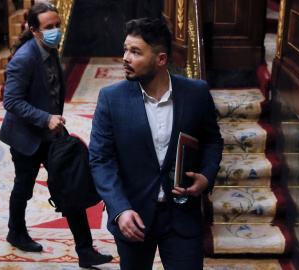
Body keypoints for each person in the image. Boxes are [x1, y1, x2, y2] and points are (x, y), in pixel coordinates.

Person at [89, 17, 224, 269]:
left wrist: (206, 176)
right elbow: (100, 160)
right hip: (134, 218)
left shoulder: (196, 93)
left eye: (135, 52)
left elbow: (212, 140)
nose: (126, 58)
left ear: (161, 59)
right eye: (126, 49)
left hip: (183, 217)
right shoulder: (111, 98)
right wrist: (119, 209)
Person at [0, 3, 113, 268]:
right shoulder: (25, 58)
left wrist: (53, 120)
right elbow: (11, 101)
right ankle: (16, 231)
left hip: (52, 136)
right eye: (49, 27)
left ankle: (85, 251)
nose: (56, 31)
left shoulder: (50, 49)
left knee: (70, 186)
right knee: (23, 188)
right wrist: (45, 118)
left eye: (57, 25)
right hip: (26, 137)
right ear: (34, 30)